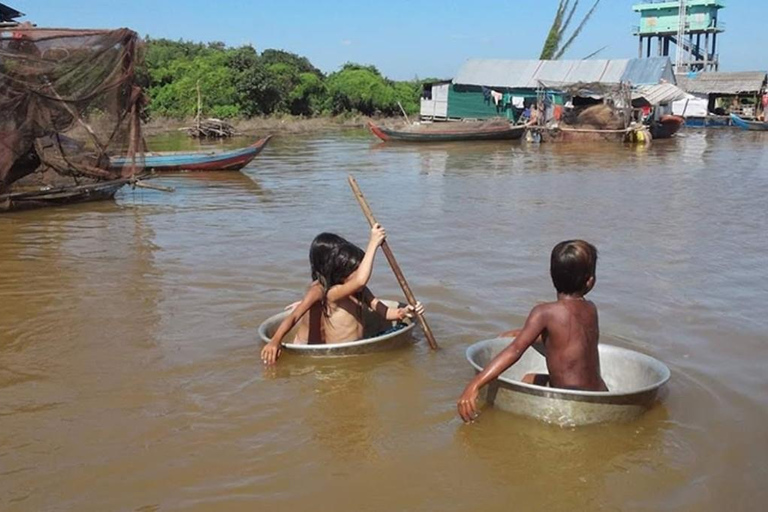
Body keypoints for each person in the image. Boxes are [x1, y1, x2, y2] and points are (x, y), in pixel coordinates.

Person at [457, 240, 607, 423]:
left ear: (551, 275)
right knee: (531, 378)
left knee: (526, 381)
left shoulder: (544, 312)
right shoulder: (591, 309)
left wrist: (475, 383)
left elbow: (515, 350)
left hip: (569, 398)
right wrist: (522, 333)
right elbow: (567, 338)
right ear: (590, 281)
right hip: (599, 393)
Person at [261, 224, 423, 364]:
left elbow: (385, 311)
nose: (360, 273)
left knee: (404, 332)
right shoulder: (331, 293)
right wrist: (275, 341)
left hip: (357, 347)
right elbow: (293, 317)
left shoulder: (361, 292)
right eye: (356, 270)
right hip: (337, 354)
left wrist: (405, 312)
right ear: (341, 275)